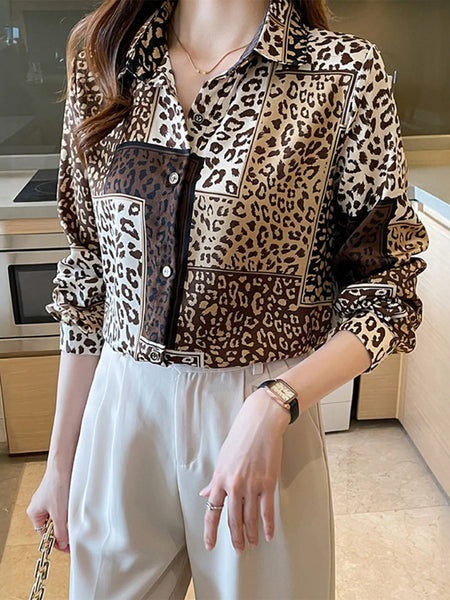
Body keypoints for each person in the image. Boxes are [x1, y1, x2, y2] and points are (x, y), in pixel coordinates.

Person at [27, 0, 429, 598]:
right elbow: (90, 274)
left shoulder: (342, 74)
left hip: (261, 412)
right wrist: (60, 464)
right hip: (121, 406)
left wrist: (278, 401)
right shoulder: (105, 58)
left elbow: (387, 292)